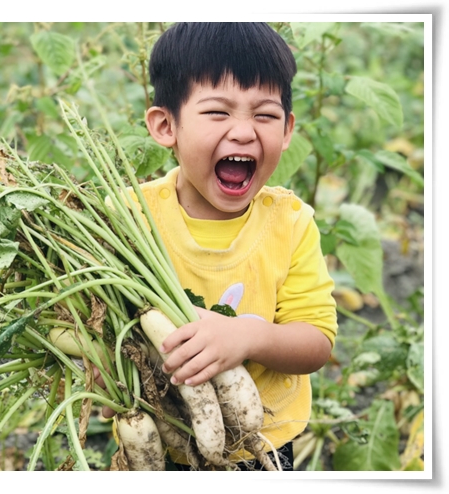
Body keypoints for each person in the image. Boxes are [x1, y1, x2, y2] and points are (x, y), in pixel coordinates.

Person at [97, 22, 338, 471]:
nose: (244, 132)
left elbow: (317, 342)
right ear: (165, 125)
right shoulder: (127, 218)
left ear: (287, 130)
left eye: (264, 115)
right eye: (218, 113)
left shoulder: (291, 223)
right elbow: (95, 316)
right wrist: (103, 363)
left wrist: (247, 335)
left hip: (262, 440)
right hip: (156, 440)